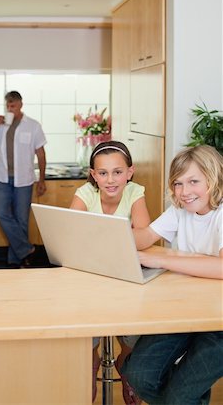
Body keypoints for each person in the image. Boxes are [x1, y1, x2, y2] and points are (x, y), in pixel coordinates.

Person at [122, 145, 223, 405]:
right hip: (186, 312)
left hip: (220, 325)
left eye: (193, 181)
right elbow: (145, 237)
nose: (184, 192)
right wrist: (111, 234)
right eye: (178, 183)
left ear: (214, 178)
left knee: (180, 398)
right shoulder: (180, 211)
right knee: (138, 375)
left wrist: (159, 259)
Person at [70, 140, 151, 403]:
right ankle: (91, 368)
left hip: (125, 274)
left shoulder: (134, 192)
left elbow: (145, 234)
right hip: (90, 276)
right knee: (87, 338)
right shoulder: (86, 193)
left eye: (118, 172)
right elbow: (70, 231)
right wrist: (120, 236)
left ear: (129, 172)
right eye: (103, 173)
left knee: (132, 336)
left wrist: (95, 235)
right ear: (93, 175)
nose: (111, 179)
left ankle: (125, 365)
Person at [0, 90, 47, 267]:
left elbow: (40, 153)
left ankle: (16, 262)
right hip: (1, 178)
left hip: (24, 180)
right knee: (1, 214)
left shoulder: (33, 126)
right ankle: (27, 251)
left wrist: (42, 179)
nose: (10, 109)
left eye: (13, 106)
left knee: (21, 219)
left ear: (21, 105)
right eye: (8, 105)